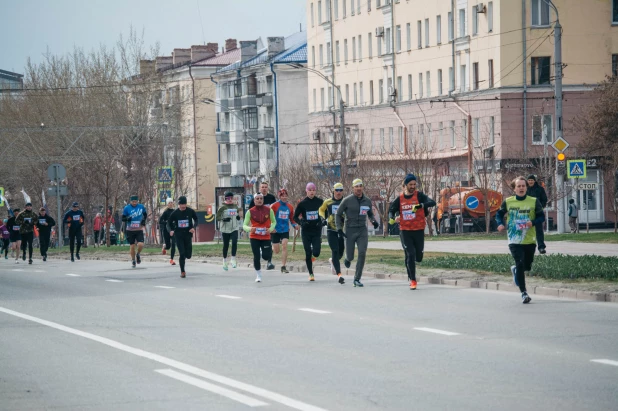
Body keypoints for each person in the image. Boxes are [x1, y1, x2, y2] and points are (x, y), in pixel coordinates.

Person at [496, 176, 545, 304]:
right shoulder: (508, 202)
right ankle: (524, 293)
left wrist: (532, 222)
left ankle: (516, 270)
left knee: (527, 265)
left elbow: (541, 217)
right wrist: (500, 223)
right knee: (520, 262)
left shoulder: (534, 201)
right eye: (519, 186)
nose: (521, 188)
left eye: (523, 186)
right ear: (514, 188)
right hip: (514, 239)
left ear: (526, 188)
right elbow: (499, 214)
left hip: (529, 239)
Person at [389, 174, 436, 290]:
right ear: (405, 185)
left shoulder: (419, 196)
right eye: (410, 184)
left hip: (419, 230)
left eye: (414, 184)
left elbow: (432, 202)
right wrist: (393, 218)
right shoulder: (400, 199)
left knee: (418, 257)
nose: (413, 186)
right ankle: (413, 280)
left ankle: (410, 267)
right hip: (405, 231)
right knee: (410, 254)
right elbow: (391, 210)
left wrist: (421, 205)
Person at [336, 179, 380, 287]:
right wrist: (339, 228)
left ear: (362, 187)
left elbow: (370, 214)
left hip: (362, 230)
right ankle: (347, 258)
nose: (359, 188)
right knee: (351, 256)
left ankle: (357, 279)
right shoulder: (347, 200)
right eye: (356, 186)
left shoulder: (367, 201)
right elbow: (338, 214)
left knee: (362, 253)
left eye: (360, 186)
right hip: (350, 230)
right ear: (353, 188)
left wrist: (373, 221)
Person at [293, 183, 324, 281]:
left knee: (316, 253)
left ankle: (317, 246)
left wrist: (322, 221)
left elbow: (325, 213)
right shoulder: (302, 203)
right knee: (308, 252)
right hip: (306, 231)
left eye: (313, 190)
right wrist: (301, 222)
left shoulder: (320, 202)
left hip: (316, 230)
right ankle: (311, 273)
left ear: (315, 191)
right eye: (309, 190)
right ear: (306, 191)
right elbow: (295, 217)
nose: (311, 192)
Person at [243, 192, 276, 282]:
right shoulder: (250, 211)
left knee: (266, 256)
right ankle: (258, 274)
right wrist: (250, 229)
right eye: (257, 199)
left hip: (265, 236)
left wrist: (270, 229)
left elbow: (274, 222)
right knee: (256, 256)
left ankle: (263, 252)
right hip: (254, 237)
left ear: (263, 200)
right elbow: (244, 225)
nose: (259, 200)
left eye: (261, 198)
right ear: (254, 200)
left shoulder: (269, 210)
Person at [319, 182, 346, 284]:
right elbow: (321, 210)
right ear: (333, 191)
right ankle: (339, 275)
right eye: (337, 190)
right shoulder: (328, 202)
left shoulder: (345, 202)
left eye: (340, 190)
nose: (338, 192)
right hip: (331, 230)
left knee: (340, 253)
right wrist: (322, 219)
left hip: (341, 230)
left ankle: (333, 261)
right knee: (335, 250)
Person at [167, 196, 198, 278]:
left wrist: (193, 228)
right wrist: (170, 230)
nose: (183, 206)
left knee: (188, 255)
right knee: (182, 253)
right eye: (181, 204)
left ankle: (184, 258)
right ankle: (182, 271)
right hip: (178, 235)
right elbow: (168, 223)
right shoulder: (175, 213)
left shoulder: (190, 211)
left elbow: (196, 220)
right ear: (178, 204)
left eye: (184, 204)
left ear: (186, 204)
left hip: (188, 235)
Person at [249, 181, 277, 269]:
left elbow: (275, 211)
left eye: (265, 187)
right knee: (258, 243)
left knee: (270, 242)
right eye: (262, 187)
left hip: (268, 225)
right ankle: (260, 254)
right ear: (259, 188)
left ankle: (269, 262)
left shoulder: (271, 198)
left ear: (267, 188)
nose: (264, 189)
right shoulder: (256, 198)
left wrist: (273, 225)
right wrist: (251, 226)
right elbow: (250, 212)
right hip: (257, 226)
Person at [270, 188, 298, 273]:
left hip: (285, 229)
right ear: (279, 196)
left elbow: (291, 218)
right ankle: (271, 248)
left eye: (286, 196)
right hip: (275, 230)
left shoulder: (290, 207)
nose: (284, 197)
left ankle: (283, 266)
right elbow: (270, 218)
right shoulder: (274, 206)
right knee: (276, 251)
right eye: (282, 196)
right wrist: (271, 227)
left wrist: (294, 224)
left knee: (284, 245)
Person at [216, 192, 242, 271]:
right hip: (225, 229)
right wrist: (223, 219)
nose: (230, 200)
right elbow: (217, 218)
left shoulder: (235, 206)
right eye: (228, 198)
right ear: (225, 199)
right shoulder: (222, 207)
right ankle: (224, 260)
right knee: (226, 245)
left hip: (234, 228)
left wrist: (238, 217)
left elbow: (238, 214)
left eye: (231, 198)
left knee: (234, 242)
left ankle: (233, 258)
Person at [122, 195, 148, 268]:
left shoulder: (141, 207)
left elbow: (145, 215)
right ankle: (133, 260)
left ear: (137, 201)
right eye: (133, 202)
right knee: (132, 246)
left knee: (140, 244)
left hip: (139, 229)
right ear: (130, 201)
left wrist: (143, 221)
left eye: (135, 201)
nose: (134, 203)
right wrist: (127, 219)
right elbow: (123, 218)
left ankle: (138, 254)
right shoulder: (127, 208)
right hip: (130, 230)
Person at [526, 175, 548, 254]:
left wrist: (540, 207)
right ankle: (527, 247)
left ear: (534, 181)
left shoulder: (540, 189)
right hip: (527, 213)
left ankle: (541, 247)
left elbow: (544, 199)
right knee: (526, 230)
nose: (530, 181)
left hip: (537, 213)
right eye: (529, 180)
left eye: (532, 180)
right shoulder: (525, 189)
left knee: (539, 230)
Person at [159, 198, 177, 265]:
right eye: (169, 203)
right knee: (168, 246)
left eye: (171, 202)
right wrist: (166, 222)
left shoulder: (175, 211)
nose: (170, 204)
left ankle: (172, 259)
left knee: (173, 244)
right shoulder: (165, 212)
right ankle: (164, 247)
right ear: (167, 204)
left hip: (173, 230)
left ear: (173, 203)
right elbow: (160, 221)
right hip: (166, 230)